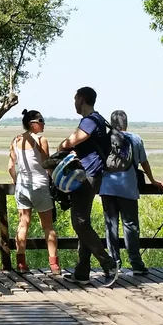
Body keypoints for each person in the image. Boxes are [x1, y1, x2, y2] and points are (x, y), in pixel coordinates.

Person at [56, 87, 120, 287]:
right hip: (89, 175)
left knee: (80, 223)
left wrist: (62, 147)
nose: (74, 102)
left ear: (82, 99)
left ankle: (108, 264)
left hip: (88, 177)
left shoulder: (90, 120)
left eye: (75, 98)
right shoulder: (96, 119)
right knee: (83, 224)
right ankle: (82, 272)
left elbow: (71, 141)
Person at [98, 110, 163, 275]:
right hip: (128, 188)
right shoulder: (135, 139)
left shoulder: (105, 139)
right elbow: (143, 162)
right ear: (126, 123)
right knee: (130, 226)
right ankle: (136, 263)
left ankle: (114, 263)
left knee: (111, 226)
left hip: (107, 188)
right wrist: (153, 180)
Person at [7, 109, 60, 274]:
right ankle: (54, 265)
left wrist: (17, 182)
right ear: (33, 124)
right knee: (48, 227)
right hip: (39, 186)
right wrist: (57, 181)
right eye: (41, 120)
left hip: (22, 187)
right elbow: (47, 164)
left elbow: (10, 167)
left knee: (23, 224)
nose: (44, 123)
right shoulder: (41, 140)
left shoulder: (16, 140)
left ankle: (21, 264)